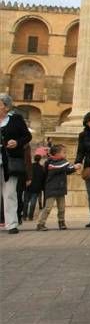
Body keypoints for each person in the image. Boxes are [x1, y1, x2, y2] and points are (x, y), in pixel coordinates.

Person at [0, 93, 32, 234]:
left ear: (6, 107)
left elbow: (27, 136)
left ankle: (11, 224)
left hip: (9, 161)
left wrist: (17, 142)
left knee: (10, 193)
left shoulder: (16, 119)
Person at [36, 144, 80, 231]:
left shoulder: (63, 162)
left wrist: (74, 168)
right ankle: (40, 224)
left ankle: (61, 222)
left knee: (62, 208)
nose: (65, 154)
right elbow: (58, 168)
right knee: (48, 207)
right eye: (64, 152)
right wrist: (73, 166)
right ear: (56, 154)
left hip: (60, 188)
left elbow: (66, 170)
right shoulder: (50, 163)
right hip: (51, 189)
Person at [23, 154, 45, 221]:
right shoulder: (41, 168)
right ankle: (30, 217)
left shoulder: (30, 166)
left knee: (26, 202)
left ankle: (24, 216)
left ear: (34, 159)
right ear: (40, 159)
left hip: (28, 186)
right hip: (36, 188)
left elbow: (26, 175)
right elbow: (42, 178)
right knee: (33, 203)